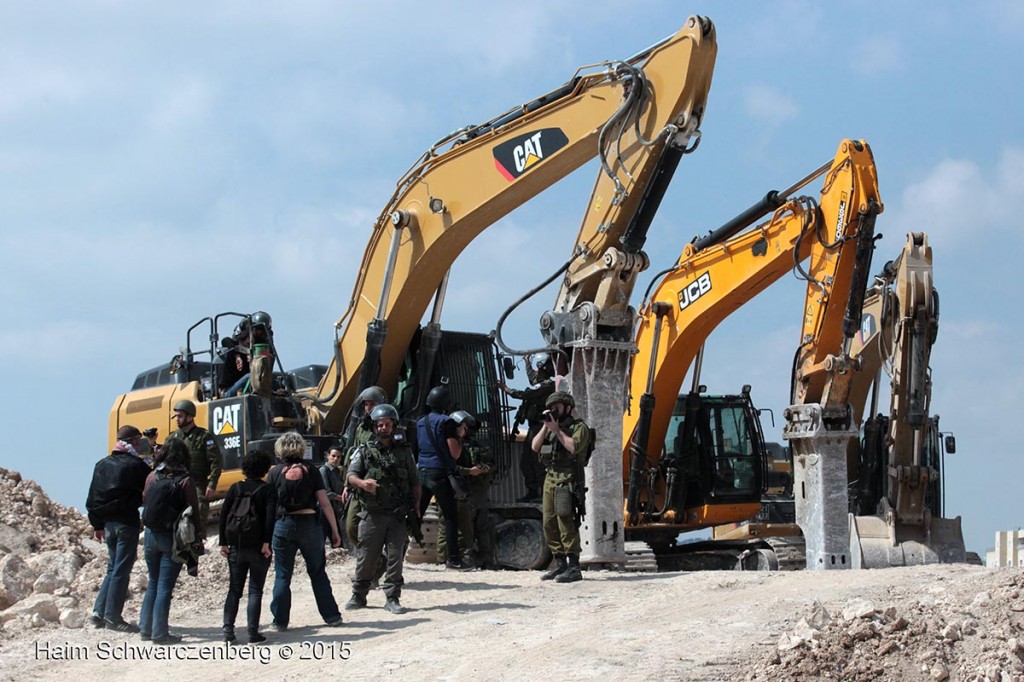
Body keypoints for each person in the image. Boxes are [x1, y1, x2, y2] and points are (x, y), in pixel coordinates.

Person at [345, 404, 421, 614]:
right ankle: (359, 595)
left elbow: (415, 481)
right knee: (367, 557)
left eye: (388, 424)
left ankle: (392, 597)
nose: (384, 428)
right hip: (372, 514)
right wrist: (363, 484)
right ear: (374, 427)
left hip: (397, 515)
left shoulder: (405, 452)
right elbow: (351, 476)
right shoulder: (364, 451)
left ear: (394, 426)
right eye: (380, 425)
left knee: (395, 558)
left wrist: (415, 507)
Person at [267, 432, 343, 630]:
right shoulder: (312, 470)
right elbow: (325, 503)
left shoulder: (275, 472)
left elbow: (268, 506)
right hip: (310, 523)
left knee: (283, 575)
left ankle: (280, 621)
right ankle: (331, 616)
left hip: (283, 525)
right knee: (318, 572)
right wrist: (335, 530)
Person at [86, 425, 153, 632]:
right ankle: (113, 617)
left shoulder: (101, 465)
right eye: (137, 442)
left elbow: (92, 498)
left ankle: (99, 612)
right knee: (121, 571)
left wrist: (97, 524)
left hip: (108, 525)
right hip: (126, 523)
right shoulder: (135, 465)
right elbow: (153, 484)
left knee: (113, 568)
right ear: (132, 442)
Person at [139, 438, 201, 644]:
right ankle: (160, 633)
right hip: (172, 538)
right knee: (165, 586)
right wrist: (197, 538)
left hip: (150, 535)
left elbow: (145, 500)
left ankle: (146, 629)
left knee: (153, 583)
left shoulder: (151, 476)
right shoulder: (185, 480)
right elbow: (193, 511)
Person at [532, 391, 593, 584]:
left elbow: (574, 448)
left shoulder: (579, 427)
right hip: (550, 478)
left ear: (567, 408)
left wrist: (557, 430)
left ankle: (574, 567)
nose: (554, 411)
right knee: (549, 522)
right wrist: (546, 426)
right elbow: (535, 447)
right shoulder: (551, 428)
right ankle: (560, 565)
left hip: (568, 479)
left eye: (557, 407)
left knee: (565, 521)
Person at [218, 450, 275, 645]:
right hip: (258, 547)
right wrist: (267, 543)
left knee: (234, 590)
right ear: (265, 468)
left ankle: (228, 633)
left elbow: (224, 515)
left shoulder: (235, 488)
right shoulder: (267, 490)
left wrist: (223, 543)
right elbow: (269, 520)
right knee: (255, 590)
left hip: (236, 546)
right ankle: (253, 633)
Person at [439, 411, 495, 569]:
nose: (466, 430)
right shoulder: (451, 446)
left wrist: (485, 468)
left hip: (478, 491)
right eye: (463, 426)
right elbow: (450, 468)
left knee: (482, 527)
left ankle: (485, 560)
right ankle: (455, 558)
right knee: (461, 528)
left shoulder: (476, 445)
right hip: (460, 490)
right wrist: (469, 471)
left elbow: (492, 463)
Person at [499, 352, 556, 502]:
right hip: (534, 427)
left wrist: (506, 390)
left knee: (536, 461)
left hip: (540, 427)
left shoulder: (548, 386)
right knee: (526, 462)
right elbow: (533, 379)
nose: (536, 372)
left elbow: (527, 394)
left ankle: (542, 494)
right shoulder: (543, 384)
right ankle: (533, 492)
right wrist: (526, 362)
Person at [342, 386, 387, 548]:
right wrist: (348, 484)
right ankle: (375, 559)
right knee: (351, 527)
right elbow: (353, 456)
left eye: (372, 404)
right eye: (366, 405)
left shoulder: (390, 426)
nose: (368, 408)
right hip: (360, 483)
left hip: (383, 484)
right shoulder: (362, 428)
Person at [168, 399, 222, 528]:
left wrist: (212, 484)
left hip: (197, 483)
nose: (177, 419)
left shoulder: (204, 436)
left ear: (190, 417)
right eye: (176, 416)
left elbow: (215, 461)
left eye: (180, 416)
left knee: (198, 517)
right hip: (176, 484)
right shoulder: (173, 438)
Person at [319, 445, 347, 547]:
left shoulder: (337, 471)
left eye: (338, 457)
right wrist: (342, 499)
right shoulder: (324, 470)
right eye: (333, 456)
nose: (336, 459)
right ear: (328, 456)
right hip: (324, 511)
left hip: (335, 510)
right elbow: (327, 493)